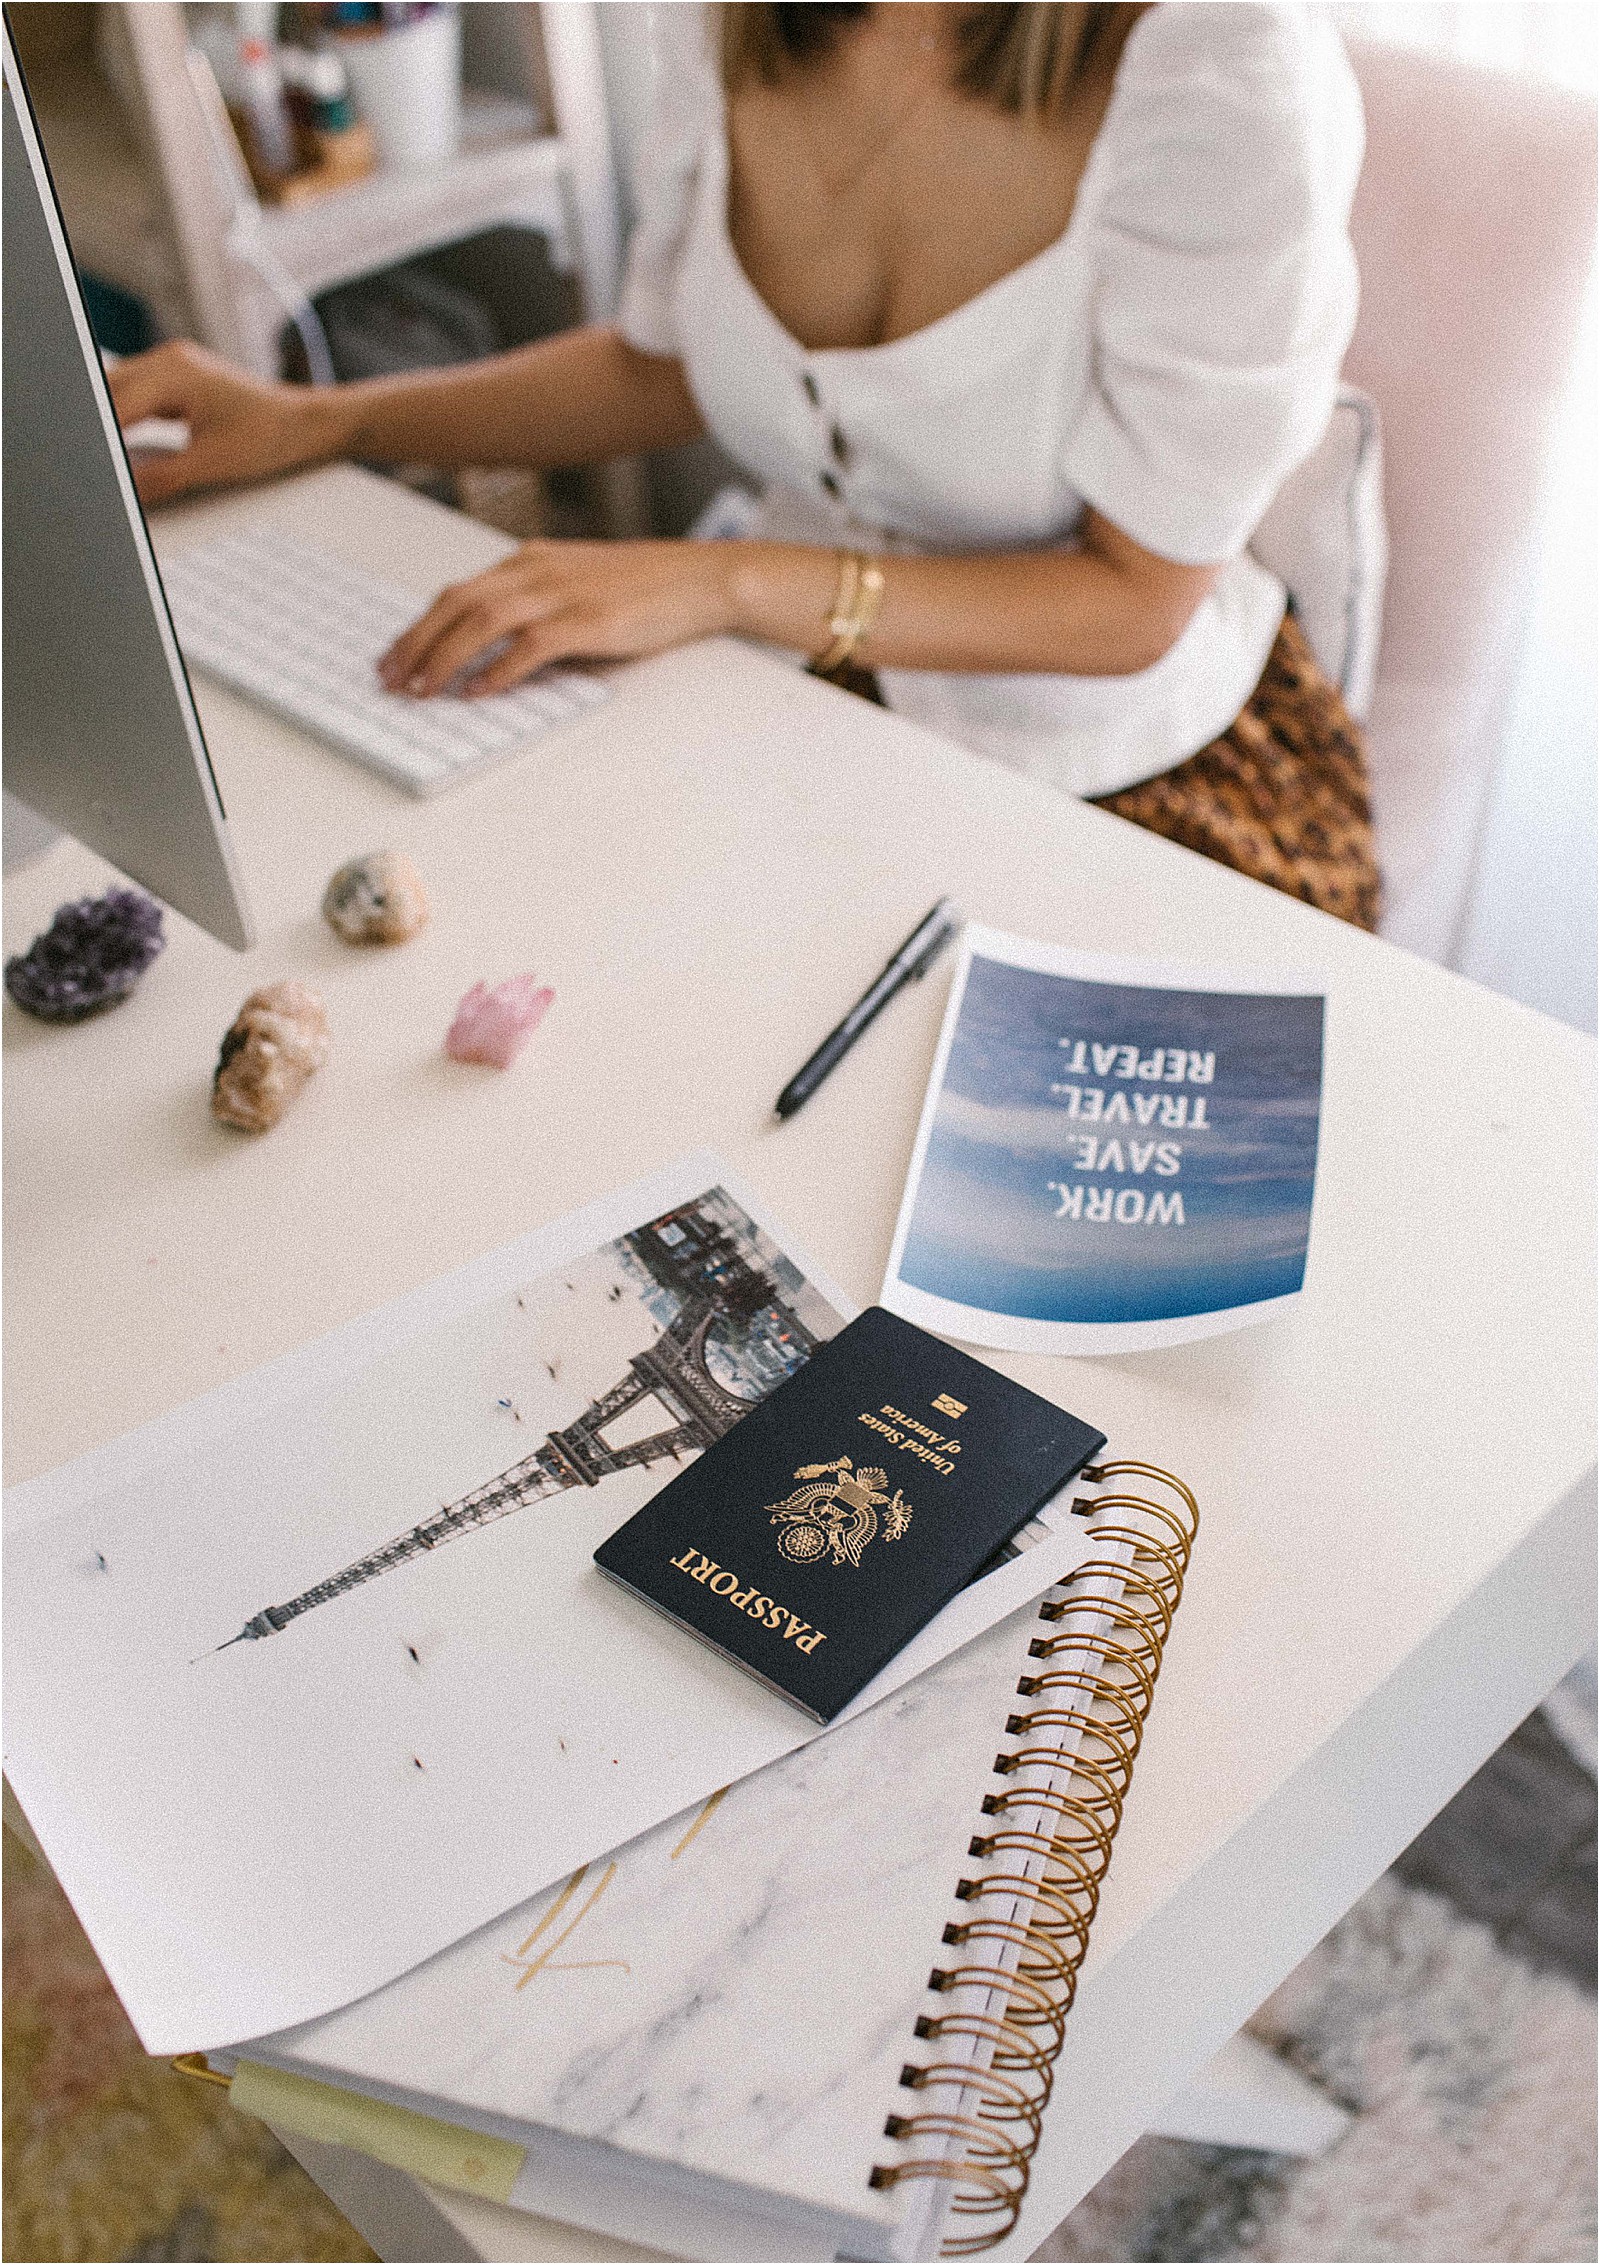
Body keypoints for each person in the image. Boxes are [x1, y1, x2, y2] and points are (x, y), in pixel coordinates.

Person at [111, 2, 1379, 925]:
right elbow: (668, 365)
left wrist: (722, 585)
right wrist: (321, 421)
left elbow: (1132, 602)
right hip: (789, 707)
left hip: (1121, 770)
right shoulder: (727, 21)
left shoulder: (1221, 65)